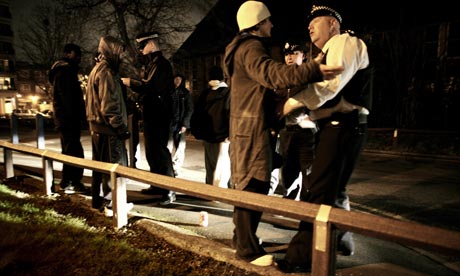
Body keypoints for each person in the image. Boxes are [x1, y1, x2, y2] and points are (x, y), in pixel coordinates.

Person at [222, 0, 344, 267]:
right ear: (257, 23)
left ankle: (241, 238)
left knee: (251, 183)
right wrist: (312, 69)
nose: (272, 25)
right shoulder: (250, 47)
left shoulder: (242, 49)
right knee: (253, 185)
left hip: (248, 127)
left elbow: (258, 87)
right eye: (267, 21)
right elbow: (272, 74)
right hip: (251, 130)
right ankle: (247, 249)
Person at [278, 2, 374, 273]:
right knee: (334, 189)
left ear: (333, 23)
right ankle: (342, 241)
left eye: (315, 21)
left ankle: (299, 257)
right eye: (308, 24)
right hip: (338, 126)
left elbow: (329, 87)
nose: (309, 27)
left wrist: (292, 104)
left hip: (342, 126)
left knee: (318, 190)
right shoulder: (326, 52)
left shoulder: (345, 42)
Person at [121, 31, 176, 205]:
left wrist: (130, 82)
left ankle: (169, 189)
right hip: (152, 113)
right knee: (152, 151)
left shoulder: (161, 65)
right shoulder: (152, 64)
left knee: (159, 151)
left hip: (160, 114)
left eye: (142, 46)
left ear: (152, 44)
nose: (140, 50)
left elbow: (151, 87)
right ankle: (158, 185)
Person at [85, 36, 133, 216]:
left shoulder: (96, 69)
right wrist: (120, 127)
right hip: (108, 129)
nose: (122, 56)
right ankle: (111, 205)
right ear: (112, 51)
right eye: (120, 52)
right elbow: (109, 105)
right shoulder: (107, 72)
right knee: (114, 167)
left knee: (100, 168)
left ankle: (99, 202)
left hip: (97, 128)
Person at [278, 40, 317, 200]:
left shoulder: (308, 78)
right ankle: (290, 205)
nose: (290, 57)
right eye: (287, 54)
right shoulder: (281, 79)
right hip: (286, 132)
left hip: (306, 132)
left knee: (308, 172)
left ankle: (306, 210)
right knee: (288, 171)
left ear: (304, 56)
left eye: (294, 53)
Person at [49, 43, 89, 194]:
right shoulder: (65, 72)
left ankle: (68, 181)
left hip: (65, 119)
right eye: (76, 54)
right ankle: (73, 181)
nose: (79, 57)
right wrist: (80, 116)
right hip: (68, 120)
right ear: (67, 54)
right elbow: (69, 99)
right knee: (74, 151)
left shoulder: (62, 71)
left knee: (69, 150)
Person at [190, 65, 231, 188]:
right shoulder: (228, 93)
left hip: (208, 133)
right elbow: (230, 114)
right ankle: (222, 190)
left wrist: (197, 131)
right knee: (223, 165)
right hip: (222, 135)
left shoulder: (205, 93)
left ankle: (210, 189)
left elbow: (197, 112)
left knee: (211, 165)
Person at [167, 73, 193, 177]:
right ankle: (167, 167)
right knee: (167, 147)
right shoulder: (168, 91)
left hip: (180, 124)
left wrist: (185, 124)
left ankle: (176, 167)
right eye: (176, 79)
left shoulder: (185, 93)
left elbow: (189, 109)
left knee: (180, 148)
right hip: (169, 124)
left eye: (180, 79)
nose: (178, 81)